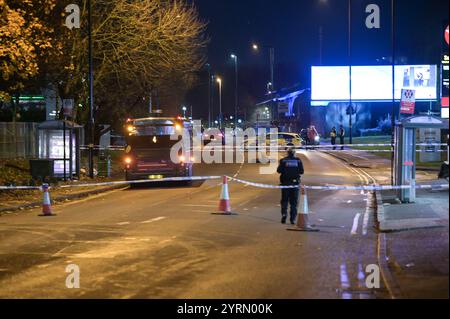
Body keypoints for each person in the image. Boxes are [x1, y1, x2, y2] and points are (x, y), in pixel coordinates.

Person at [277, 147, 305, 225]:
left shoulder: (283, 160)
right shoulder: (298, 160)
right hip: (295, 184)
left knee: (284, 200)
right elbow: (302, 171)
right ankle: (292, 219)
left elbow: (279, 171)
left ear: (287, 153)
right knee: (294, 202)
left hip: (285, 183)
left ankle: (284, 214)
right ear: (294, 153)